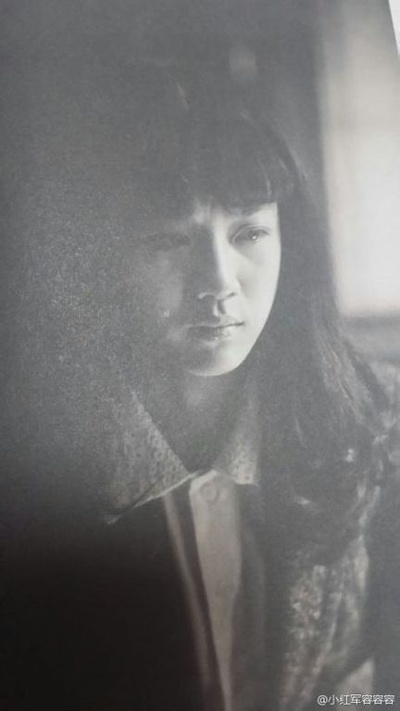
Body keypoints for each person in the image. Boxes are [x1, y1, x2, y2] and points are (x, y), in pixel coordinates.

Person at [2, 64, 400, 711]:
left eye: (249, 233)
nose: (217, 283)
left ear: (290, 243)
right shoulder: (32, 462)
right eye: (168, 240)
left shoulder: (379, 421)